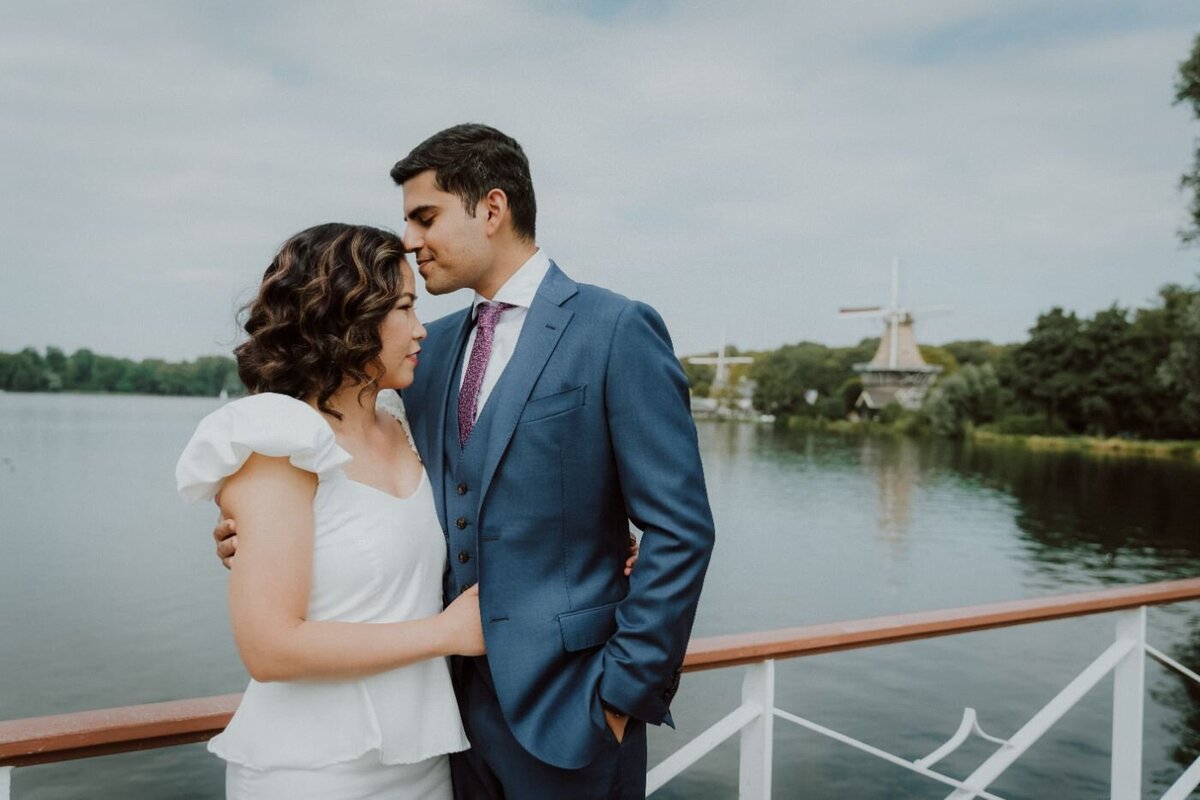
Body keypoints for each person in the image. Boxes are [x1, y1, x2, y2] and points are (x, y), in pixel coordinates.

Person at [217, 124, 716, 799]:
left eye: (425, 217)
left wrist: (621, 697)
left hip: (574, 715)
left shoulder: (615, 329)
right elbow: (367, 486)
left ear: (491, 208)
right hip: (442, 722)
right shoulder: (422, 353)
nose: (411, 241)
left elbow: (681, 530)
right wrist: (257, 529)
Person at [176, 224, 479, 799]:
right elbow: (270, 648)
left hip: (422, 760)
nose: (420, 330)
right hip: (315, 771)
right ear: (348, 316)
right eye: (405, 308)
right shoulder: (277, 441)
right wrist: (446, 633)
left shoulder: (404, 421)